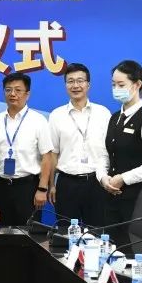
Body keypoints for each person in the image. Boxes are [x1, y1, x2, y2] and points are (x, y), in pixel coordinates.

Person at [97, 61, 142, 244]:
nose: (116, 89)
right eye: (113, 85)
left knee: (133, 249)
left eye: (121, 85)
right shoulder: (114, 118)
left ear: (137, 85)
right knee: (111, 246)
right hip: (111, 197)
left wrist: (123, 178)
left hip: (138, 199)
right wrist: (103, 178)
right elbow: (104, 155)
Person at [48, 63, 111, 226]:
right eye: (70, 81)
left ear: (88, 85)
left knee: (98, 231)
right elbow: (53, 153)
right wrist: (51, 184)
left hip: (97, 182)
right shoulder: (56, 115)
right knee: (65, 233)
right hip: (67, 183)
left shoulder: (103, 113)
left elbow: (110, 150)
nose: (75, 85)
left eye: (80, 81)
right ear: (65, 85)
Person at [0, 72, 53, 226]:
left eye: (18, 90)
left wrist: (42, 189)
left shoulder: (38, 121)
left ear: (27, 94)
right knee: (1, 232)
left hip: (28, 187)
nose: (12, 94)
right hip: (1, 185)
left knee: (28, 233)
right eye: (8, 90)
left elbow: (47, 156)